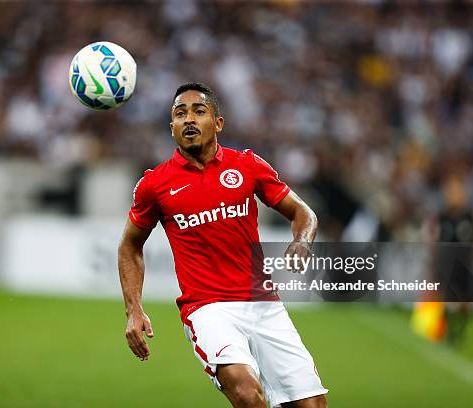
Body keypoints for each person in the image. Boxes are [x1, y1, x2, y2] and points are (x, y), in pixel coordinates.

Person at [118, 82, 328, 408]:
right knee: (247, 393)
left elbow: (302, 212)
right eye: (180, 113)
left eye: (199, 111)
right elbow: (130, 246)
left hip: (263, 304)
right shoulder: (155, 185)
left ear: (218, 123)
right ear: (171, 127)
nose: (189, 119)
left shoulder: (247, 166)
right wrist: (134, 310)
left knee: (311, 404)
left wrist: (302, 242)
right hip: (208, 309)